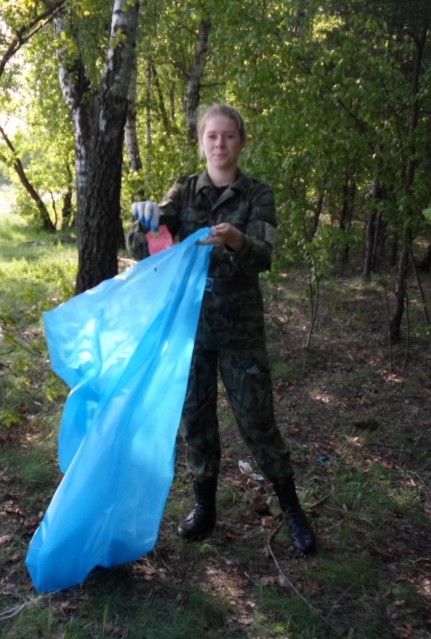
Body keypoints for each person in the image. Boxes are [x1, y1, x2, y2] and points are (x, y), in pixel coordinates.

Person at [126, 103, 317, 555]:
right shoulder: (185, 192)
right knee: (197, 421)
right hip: (190, 332)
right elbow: (143, 249)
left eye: (228, 136)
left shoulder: (257, 193)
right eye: (211, 136)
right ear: (201, 143)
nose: (220, 144)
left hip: (240, 331)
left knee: (257, 420)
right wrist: (145, 218)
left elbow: (264, 255)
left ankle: (292, 509)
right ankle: (204, 508)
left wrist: (236, 240)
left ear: (241, 142)